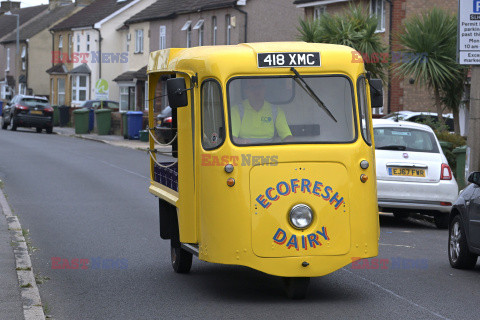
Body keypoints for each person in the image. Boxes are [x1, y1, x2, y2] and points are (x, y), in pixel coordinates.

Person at [231, 79, 292, 144]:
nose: (256, 91)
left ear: (264, 89)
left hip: (270, 151)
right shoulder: (236, 110)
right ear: (246, 91)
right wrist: (240, 142)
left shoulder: (276, 111)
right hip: (243, 151)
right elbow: (232, 138)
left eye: (259, 87)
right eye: (252, 87)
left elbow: (288, 137)